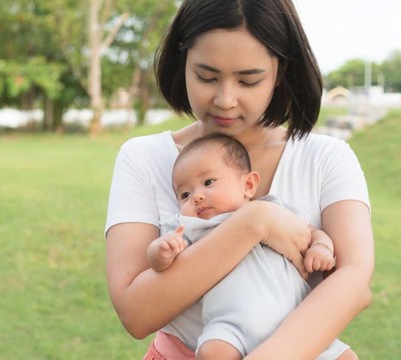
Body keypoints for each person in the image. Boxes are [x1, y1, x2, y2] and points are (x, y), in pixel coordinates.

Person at [105, 0, 374, 358]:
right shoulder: (144, 158)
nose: (225, 99)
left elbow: (353, 282)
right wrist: (255, 221)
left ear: (280, 71)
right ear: (182, 61)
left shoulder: (325, 158)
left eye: (249, 80)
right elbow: (136, 313)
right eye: (206, 76)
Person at [147, 133, 355, 360]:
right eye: (185, 194)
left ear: (248, 185)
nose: (197, 197)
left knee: (346, 356)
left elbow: (313, 233)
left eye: (208, 183)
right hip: (231, 325)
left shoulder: (274, 211)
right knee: (211, 351)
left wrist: (321, 247)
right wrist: (161, 253)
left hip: (293, 320)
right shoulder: (192, 227)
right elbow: (160, 262)